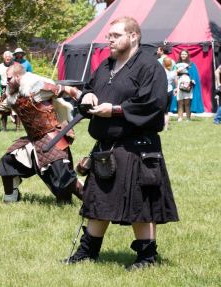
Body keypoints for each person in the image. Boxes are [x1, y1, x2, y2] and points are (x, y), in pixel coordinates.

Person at [67, 16, 178, 270]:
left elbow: (153, 104)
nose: (110, 40)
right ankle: (88, 252)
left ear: (133, 36)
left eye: (116, 35)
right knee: (97, 200)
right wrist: (88, 96)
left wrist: (115, 111)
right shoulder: (107, 65)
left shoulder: (150, 67)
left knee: (140, 203)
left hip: (138, 146)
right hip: (107, 145)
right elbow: (88, 89)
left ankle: (147, 258)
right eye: (109, 36)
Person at [0, 63, 83, 204]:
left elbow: (67, 90)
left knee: (64, 181)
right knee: (7, 163)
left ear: (18, 77)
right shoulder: (13, 97)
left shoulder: (37, 88)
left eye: (9, 78)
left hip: (51, 139)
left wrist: (83, 98)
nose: (7, 82)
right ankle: (11, 198)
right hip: (32, 140)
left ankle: (90, 201)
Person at [173, 49, 203, 121]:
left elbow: (194, 75)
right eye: (182, 54)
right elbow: (174, 75)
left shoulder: (191, 64)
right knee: (179, 101)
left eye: (185, 54)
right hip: (179, 83)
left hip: (187, 83)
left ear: (187, 55)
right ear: (180, 55)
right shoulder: (177, 64)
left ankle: (188, 118)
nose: (183, 55)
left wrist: (192, 80)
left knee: (187, 101)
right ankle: (180, 117)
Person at [0, 51, 13, 131]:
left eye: (9, 57)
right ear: (3, 57)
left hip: (13, 88)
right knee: (3, 108)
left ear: (11, 58)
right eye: (6, 56)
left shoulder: (15, 66)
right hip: (3, 87)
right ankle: (4, 127)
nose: (8, 58)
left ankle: (17, 128)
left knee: (16, 108)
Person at [162, 57, 176, 130]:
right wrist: (176, 89)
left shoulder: (160, 72)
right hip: (170, 91)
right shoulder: (173, 73)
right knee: (166, 112)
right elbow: (176, 82)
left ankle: (159, 125)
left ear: (163, 63)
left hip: (161, 91)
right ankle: (166, 128)